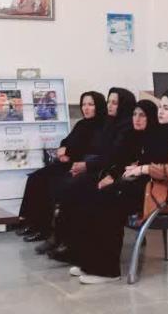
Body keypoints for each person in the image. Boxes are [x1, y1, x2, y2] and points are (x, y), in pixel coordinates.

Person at [76, 91, 168, 284]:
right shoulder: (165, 133)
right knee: (99, 196)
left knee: (109, 201)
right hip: (152, 187)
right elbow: (152, 159)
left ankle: (107, 270)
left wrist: (144, 168)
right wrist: (138, 167)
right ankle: (91, 263)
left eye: (166, 108)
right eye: (160, 107)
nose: (160, 112)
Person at [55, 100, 159, 273]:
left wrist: (131, 170)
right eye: (134, 114)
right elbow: (118, 160)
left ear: (151, 118)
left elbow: (146, 167)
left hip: (144, 189)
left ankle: (104, 267)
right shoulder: (130, 135)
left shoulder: (155, 138)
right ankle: (83, 258)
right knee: (86, 197)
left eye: (142, 115)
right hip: (125, 182)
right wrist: (112, 175)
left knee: (101, 202)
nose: (137, 119)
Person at [19, 91, 106, 249]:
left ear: (98, 106)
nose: (86, 108)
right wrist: (62, 148)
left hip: (81, 166)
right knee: (36, 178)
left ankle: (46, 230)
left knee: (52, 184)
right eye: (83, 104)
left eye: (90, 104)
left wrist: (67, 153)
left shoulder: (103, 126)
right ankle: (33, 222)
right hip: (68, 162)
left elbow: (88, 150)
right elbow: (67, 140)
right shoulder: (81, 124)